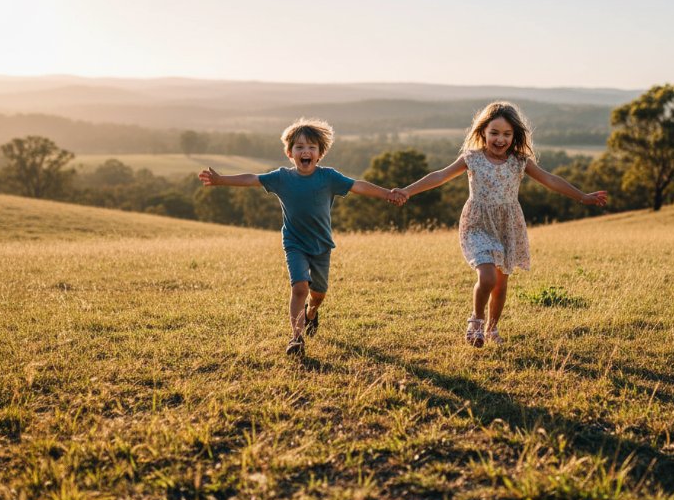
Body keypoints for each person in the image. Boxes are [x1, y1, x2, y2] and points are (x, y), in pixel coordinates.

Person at [394, 102, 607, 347]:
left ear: (515, 135)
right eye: (494, 133)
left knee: (501, 282)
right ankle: (476, 322)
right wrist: (407, 191)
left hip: (508, 225)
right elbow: (440, 176)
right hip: (477, 223)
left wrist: (582, 196)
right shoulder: (471, 158)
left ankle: (492, 328)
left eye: (507, 134)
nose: (500, 139)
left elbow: (550, 179)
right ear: (482, 132)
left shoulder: (520, 161)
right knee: (487, 277)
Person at [199, 118, 405, 355]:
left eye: (311, 148)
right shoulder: (281, 178)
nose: (305, 151)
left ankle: (311, 314)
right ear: (290, 153)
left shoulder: (329, 177)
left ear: (320, 154)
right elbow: (252, 179)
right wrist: (221, 180)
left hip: (321, 246)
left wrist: (388, 194)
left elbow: (358, 185)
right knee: (299, 288)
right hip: (294, 243)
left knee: (318, 295)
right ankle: (296, 339)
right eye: (299, 147)